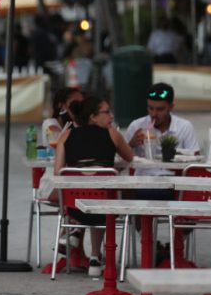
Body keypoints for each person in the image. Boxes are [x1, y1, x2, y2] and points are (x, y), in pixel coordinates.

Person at [53, 96, 133, 277]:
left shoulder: (66, 135)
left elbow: (58, 172)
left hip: (74, 208)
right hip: (105, 206)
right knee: (103, 201)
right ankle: (95, 257)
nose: (111, 117)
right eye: (106, 112)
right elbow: (129, 157)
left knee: (93, 202)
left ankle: (76, 229)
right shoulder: (112, 133)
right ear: (93, 117)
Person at [124, 82, 200, 181]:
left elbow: (196, 161)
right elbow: (120, 162)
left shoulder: (184, 127)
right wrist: (131, 144)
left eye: (160, 109)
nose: (154, 114)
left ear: (171, 107)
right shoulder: (137, 126)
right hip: (143, 182)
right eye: (150, 108)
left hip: (175, 182)